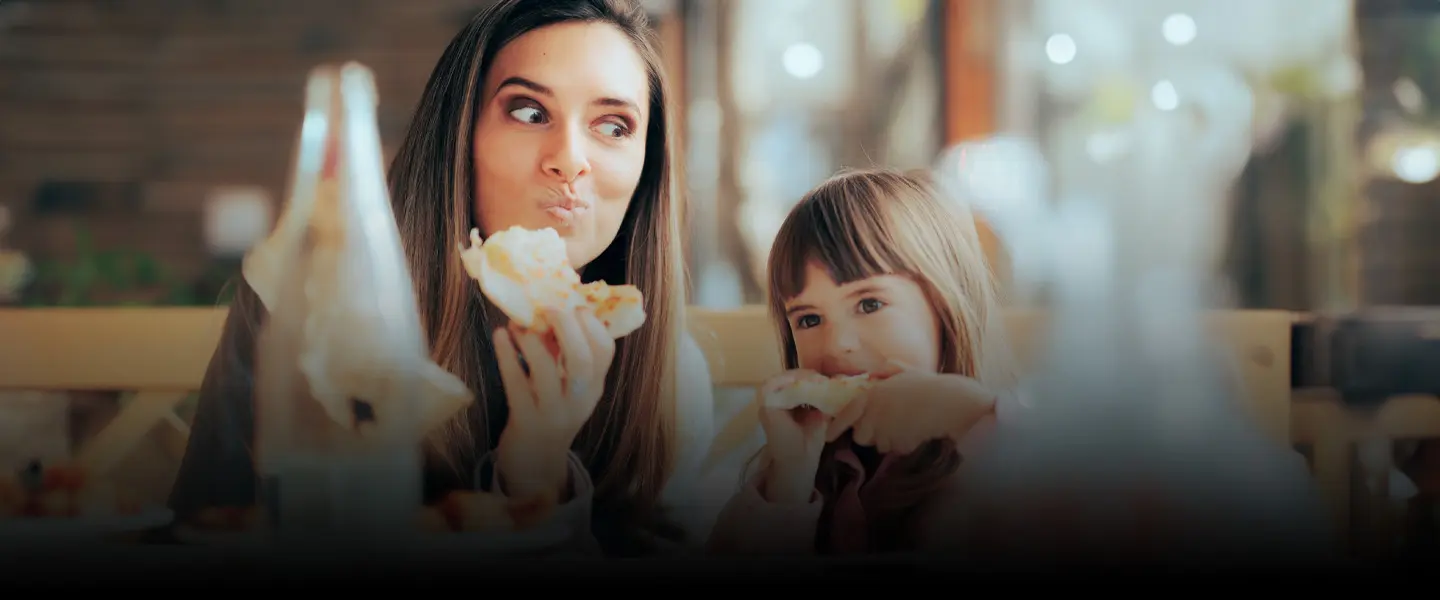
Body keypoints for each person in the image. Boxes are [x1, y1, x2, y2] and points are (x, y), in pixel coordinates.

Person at [169, 0, 716, 556]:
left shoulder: (669, 376)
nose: (569, 160)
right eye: (528, 112)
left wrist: (536, 476)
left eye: (613, 125)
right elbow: (204, 533)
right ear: (459, 134)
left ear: (648, 166)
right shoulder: (300, 302)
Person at [707, 168, 1022, 554]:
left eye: (869, 304)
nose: (837, 345)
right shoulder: (810, 470)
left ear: (946, 307)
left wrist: (970, 415)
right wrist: (789, 479)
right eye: (808, 319)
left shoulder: (1003, 451)